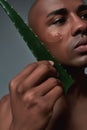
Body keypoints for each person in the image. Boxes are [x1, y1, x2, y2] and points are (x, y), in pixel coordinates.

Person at [0, 0, 87, 130]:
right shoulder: (9, 110)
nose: (81, 25)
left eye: (84, 16)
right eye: (59, 21)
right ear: (35, 39)